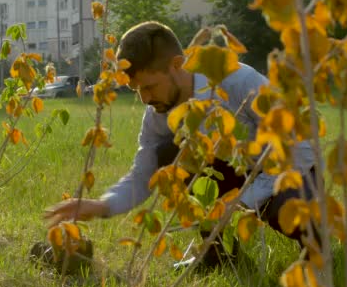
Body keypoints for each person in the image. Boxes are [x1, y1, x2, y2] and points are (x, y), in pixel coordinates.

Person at [44, 21, 318, 268]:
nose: (144, 99)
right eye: (136, 90)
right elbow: (143, 175)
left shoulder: (236, 80)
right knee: (167, 154)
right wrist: (101, 206)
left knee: (300, 215)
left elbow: (302, 147)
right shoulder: (158, 114)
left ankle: (317, 255)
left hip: (286, 170)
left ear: (177, 65)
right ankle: (217, 255)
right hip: (232, 175)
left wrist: (243, 201)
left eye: (149, 87)